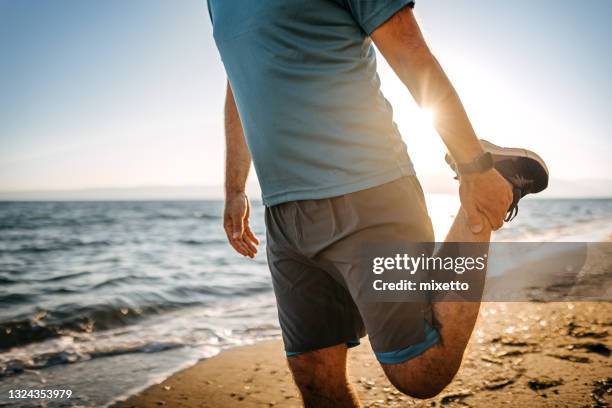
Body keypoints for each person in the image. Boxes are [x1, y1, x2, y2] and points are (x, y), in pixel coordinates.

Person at [207, 1, 548, 406]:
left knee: (421, 370)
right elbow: (238, 80)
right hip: (282, 212)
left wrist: (475, 166)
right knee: (314, 375)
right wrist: (234, 189)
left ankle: (495, 184)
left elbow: (408, 48)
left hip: (367, 189)